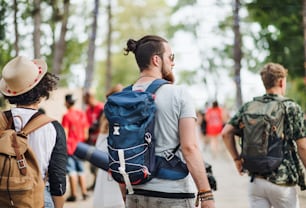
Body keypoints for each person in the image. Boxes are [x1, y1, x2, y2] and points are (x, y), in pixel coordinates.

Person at [122, 35, 215, 208]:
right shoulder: (179, 94)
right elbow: (189, 148)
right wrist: (206, 193)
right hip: (173, 192)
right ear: (156, 60)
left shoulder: (124, 97)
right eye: (171, 57)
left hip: (135, 192)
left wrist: (126, 192)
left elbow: (120, 149)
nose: (173, 63)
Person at [222, 62, 306, 208]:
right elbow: (302, 147)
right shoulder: (290, 107)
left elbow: (226, 133)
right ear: (281, 81)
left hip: (256, 181)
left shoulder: (249, 106)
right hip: (282, 183)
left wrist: (237, 159)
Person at [0, 56, 67, 208]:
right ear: (42, 89)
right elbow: (58, 177)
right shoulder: (53, 127)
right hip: (37, 197)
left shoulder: (1, 121)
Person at [93, 83, 126, 208]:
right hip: (117, 172)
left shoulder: (105, 120)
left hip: (107, 171)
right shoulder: (123, 121)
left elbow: (98, 149)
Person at [62, 94, 89, 202]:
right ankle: (84, 192)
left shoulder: (66, 116)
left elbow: (65, 133)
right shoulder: (81, 114)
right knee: (81, 170)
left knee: (71, 171)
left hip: (70, 147)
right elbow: (86, 134)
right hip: (80, 147)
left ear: (67, 103)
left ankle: (73, 195)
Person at [83, 90, 104, 190]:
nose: (84, 100)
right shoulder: (88, 110)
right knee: (93, 165)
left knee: (99, 164)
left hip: (100, 140)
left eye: (85, 98)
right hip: (91, 141)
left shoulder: (101, 108)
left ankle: (98, 184)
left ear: (90, 97)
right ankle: (95, 183)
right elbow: (86, 125)